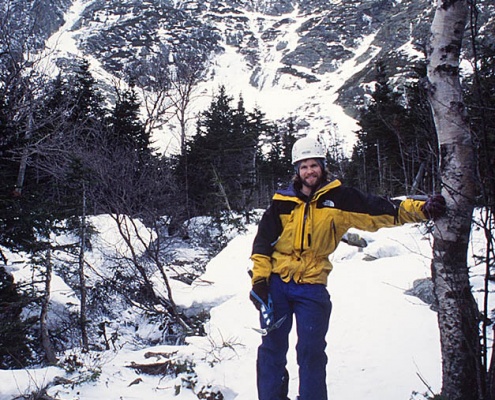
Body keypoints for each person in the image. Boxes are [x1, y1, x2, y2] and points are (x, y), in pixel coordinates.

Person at [249, 136, 446, 400]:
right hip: (277, 285)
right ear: (297, 170)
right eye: (304, 166)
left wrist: (423, 209)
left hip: (312, 287)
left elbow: (383, 210)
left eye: (314, 165)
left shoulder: (340, 198)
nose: (310, 171)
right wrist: (260, 282)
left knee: (311, 352)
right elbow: (262, 244)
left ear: (323, 166)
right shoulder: (282, 202)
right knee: (272, 349)